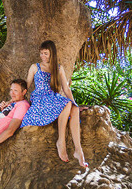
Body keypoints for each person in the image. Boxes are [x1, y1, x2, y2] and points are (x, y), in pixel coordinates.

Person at [20, 40, 87, 168]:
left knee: (73, 108)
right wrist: (12, 102)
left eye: (46, 53)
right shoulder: (35, 67)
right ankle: (61, 141)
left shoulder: (58, 68)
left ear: (52, 54)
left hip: (52, 98)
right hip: (40, 100)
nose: (43, 56)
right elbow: (25, 87)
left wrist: (75, 104)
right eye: (41, 53)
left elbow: (66, 89)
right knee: (67, 104)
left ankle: (78, 150)